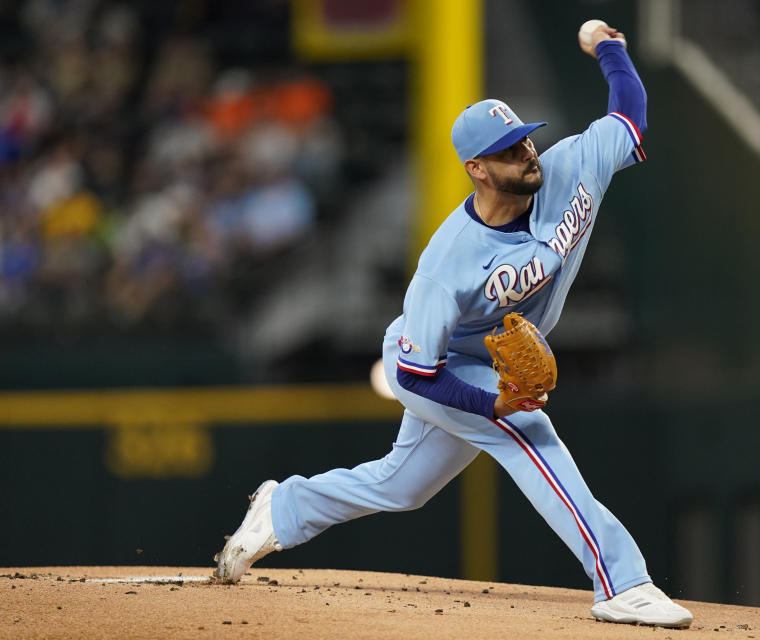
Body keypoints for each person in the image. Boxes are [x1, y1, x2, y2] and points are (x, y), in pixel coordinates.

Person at [215, 21, 694, 629]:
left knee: (401, 486)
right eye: (508, 151)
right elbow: (415, 372)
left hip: (488, 359)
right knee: (528, 430)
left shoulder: (573, 164)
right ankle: (621, 582)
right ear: (477, 169)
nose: (526, 153)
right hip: (433, 363)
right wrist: (492, 405)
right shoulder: (447, 263)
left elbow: (629, 117)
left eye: (524, 141)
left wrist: (609, 48)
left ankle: (283, 508)